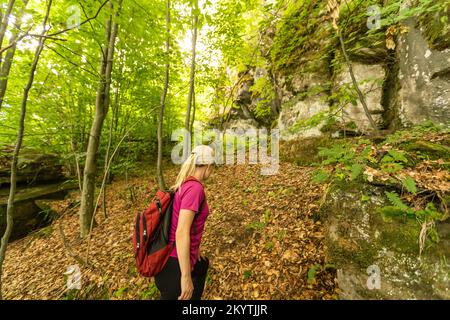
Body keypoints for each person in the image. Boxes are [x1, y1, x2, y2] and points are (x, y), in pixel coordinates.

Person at [155, 145, 215, 300]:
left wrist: (196, 249)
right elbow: (181, 231)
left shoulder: (185, 184)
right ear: (208, 166)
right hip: (175, 266)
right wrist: (185, 276)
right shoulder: (195, 189)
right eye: (213, 166)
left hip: (174, 260)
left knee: (203, 265)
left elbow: (187, 223)